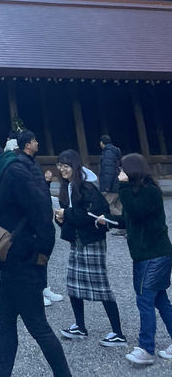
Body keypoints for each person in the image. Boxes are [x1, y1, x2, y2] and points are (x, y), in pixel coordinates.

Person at [0, 137, 72, 377]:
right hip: (9, 262)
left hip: (24, 261)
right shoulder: (5, 173)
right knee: (5, 322)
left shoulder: (13, 172)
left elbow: (41, 212)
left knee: (38, 326)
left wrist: (41, 257)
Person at [99, 153, 172, 366]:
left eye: (123, 169)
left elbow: (136, 211)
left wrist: (121, 188)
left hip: (152, 254)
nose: (120, 173)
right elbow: (129, 219)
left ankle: (147, 348)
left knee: (145, 300)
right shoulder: (139, 192)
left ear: (132, 171)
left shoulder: (149, 192)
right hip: (149, 253)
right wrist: (109, 220)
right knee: (159, 300)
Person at [53, 149, 126, 347]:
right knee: (73, 285)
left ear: (75, 167)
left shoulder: (87, 188)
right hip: (77, 241)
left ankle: (118, 332)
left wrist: (66, 214)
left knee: (101, 286)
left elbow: (92, 217)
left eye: (66, 165)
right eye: (60, 165)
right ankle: (79, 326)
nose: (62, 169)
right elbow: (70, 217)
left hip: (92, 241)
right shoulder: (66, 188)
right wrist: (60, 218)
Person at [16, 129, 64, 307]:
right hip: (34, 219)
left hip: (43, 215)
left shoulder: (32, 162)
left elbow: (37, 187)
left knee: (43, 254)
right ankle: (35, 291)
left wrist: (47, 182)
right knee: (33, 256)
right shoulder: (21, 163)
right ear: (27, 144)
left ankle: (43, 287)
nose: (37, 143)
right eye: (35, 140)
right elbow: (28, 192)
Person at [99, 134, 122, 218]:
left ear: (102, 143)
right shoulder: (116, 150)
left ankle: (124, 224)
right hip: (117, 182)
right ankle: (123, 228)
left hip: (112, 185)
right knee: (118, 206)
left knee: (109, 206)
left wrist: (106, 187)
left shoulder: (107, 153)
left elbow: (108, 171)